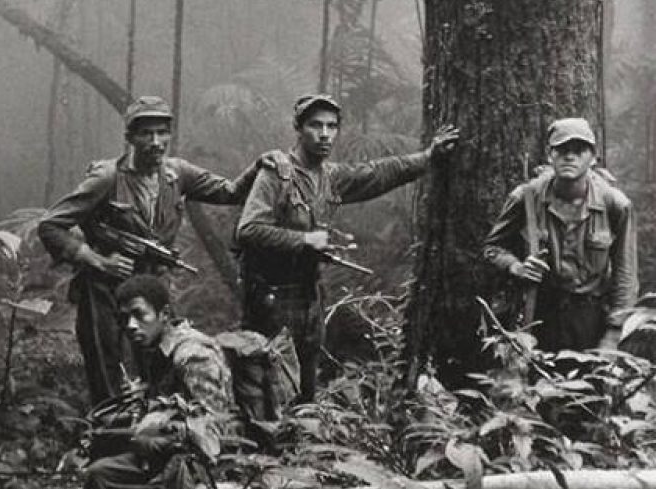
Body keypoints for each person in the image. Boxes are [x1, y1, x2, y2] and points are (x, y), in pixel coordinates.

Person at [38, 95, 263, 407]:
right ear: (130, 137)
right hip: (105, 291)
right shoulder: (107, 178)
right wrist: (98, 261)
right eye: (146, 134)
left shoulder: (177, 174)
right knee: (107, 373)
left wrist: (261, 167)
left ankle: (158, 425)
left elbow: (230, 192)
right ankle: (111, 431)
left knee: (160, 366)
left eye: (162, 133)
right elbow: (51, 226)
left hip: (153, 288)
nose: (156, 142)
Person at [235, 93, 459, 400]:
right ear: (298, 128)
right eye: (315, 125)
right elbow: (248, 229)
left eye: (332, 126)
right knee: (270, 393)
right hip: (271, 303)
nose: (325, 134)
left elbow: (377, 173)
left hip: (310, 299)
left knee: (305, 394)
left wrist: (428, 157)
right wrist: (304, 240)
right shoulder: (276, 174)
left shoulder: (329, 177)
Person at [81, 274, 236, 489]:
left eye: (139, 314)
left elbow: (214, 430)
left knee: (102, 475)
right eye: (124, 319)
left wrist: (151, 434)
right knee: (101, 463)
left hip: (201, 463)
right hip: (172, 454)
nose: (130, 325)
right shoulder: (159, 350)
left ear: (164, 314)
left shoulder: (192, 355)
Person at [482, 117, 637, 352]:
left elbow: (625, 274)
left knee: (590, 375)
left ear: (593, 157)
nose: (570, 157)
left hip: (591, 319)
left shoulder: (615, 205)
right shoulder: (526, 197)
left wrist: (614, 332)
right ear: (549, 155)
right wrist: (516, 267)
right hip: (539, 314)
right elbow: (492, 248)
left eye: (579, 150)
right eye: (562, 149)